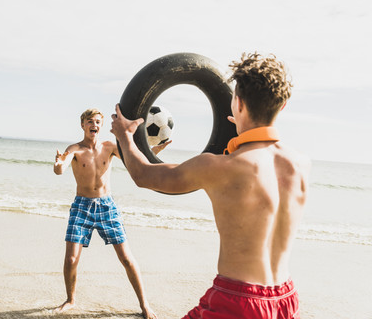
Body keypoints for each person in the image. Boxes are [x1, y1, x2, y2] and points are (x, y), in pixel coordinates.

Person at [111, 53, 310, 318]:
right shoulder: (300, 164)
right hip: (286, 300)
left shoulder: (218, 167)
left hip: (237, 301)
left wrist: (124, 136)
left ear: (237, 103)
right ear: (282, 105)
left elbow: (143, 175)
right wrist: (242, 132)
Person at [53, 108, 170, 319]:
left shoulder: (110, 147)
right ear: (83, 125)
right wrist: (59, 163)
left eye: (97, 121)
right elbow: (60, 168)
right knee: (71, 259)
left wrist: (154, 151)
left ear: (101, 125)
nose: (94, 125)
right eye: (90, 121)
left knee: (126, 258)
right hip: (81, 207)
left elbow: (134, 160)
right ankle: (70, 300)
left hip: (107, 206)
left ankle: (144, 305)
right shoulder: (75, 149)